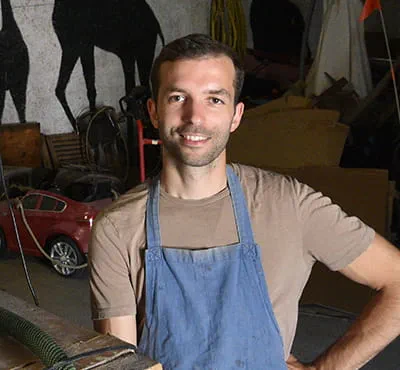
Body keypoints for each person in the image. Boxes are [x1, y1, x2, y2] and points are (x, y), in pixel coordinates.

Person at [89, 33, 400, 369]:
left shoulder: (290, 206)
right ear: (153, 111)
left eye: (215, 100)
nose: (195, 116)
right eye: (178, 97)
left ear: (236, 116)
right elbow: (120, 364)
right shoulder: (118, 228)